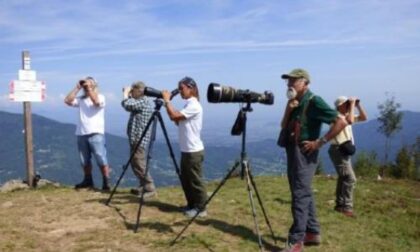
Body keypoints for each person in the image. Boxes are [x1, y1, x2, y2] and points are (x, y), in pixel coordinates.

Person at [280, 69, 348, 252]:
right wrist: (288, 108)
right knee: (303, 191)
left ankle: (296, 241)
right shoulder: (296, 102)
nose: (289, 85)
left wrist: (320, 142)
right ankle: (313, 232)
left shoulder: (314, 101)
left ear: (305, 83)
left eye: (293, 81)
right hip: (293, 150)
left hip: (304, 152)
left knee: (299, 195)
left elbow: (341, 121)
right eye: (288, 82)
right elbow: (283, 125)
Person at [162, 76, 208, 218]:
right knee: (186, 180)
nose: (180, 91)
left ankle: (201, 209)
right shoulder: (188, 105)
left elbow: (175, 117)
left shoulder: (193, 104)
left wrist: (167, 101)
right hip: (187, 149)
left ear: (191, 88)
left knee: (195, 180)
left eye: (181, 88)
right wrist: (171, 110)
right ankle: (192, 205)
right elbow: (178, 120)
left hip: (193, 150)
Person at [64, 77, 111, 191]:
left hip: (96, 133)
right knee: (84, 160)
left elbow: (96, 102)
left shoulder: (101, 97)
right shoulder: (81, 100)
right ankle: (88, 180)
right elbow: (67, 101)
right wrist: (77, 88)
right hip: (81, 133)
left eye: (89, 84)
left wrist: (89, 89)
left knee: (101, 158)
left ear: (94, 85)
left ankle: (106, 181)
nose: (86, 87)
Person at [329, 96, 367, 217]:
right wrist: (352, 105)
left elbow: (364, 117)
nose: (347, 105)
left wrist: (357, 105)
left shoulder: (345, 116)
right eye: (346, 104)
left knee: (343, 177)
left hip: (342, 150)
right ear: (340, 106)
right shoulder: (336, 117)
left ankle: (340, 205)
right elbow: (350, 120)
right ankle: (347, 208)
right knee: (350, 178)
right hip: (338, 150)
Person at [121, 81, 156, 198]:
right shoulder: (140, 101)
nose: (131, 93)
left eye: (132, 91)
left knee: (139, 163)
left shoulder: (143, 101)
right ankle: (143, 185)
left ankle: (150, 188)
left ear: (138, 91)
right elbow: (131, 104)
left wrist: (125, 94)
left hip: (139, 139)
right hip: (136, 138)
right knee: (135, 163)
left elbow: (128, 105)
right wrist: (129, 95)